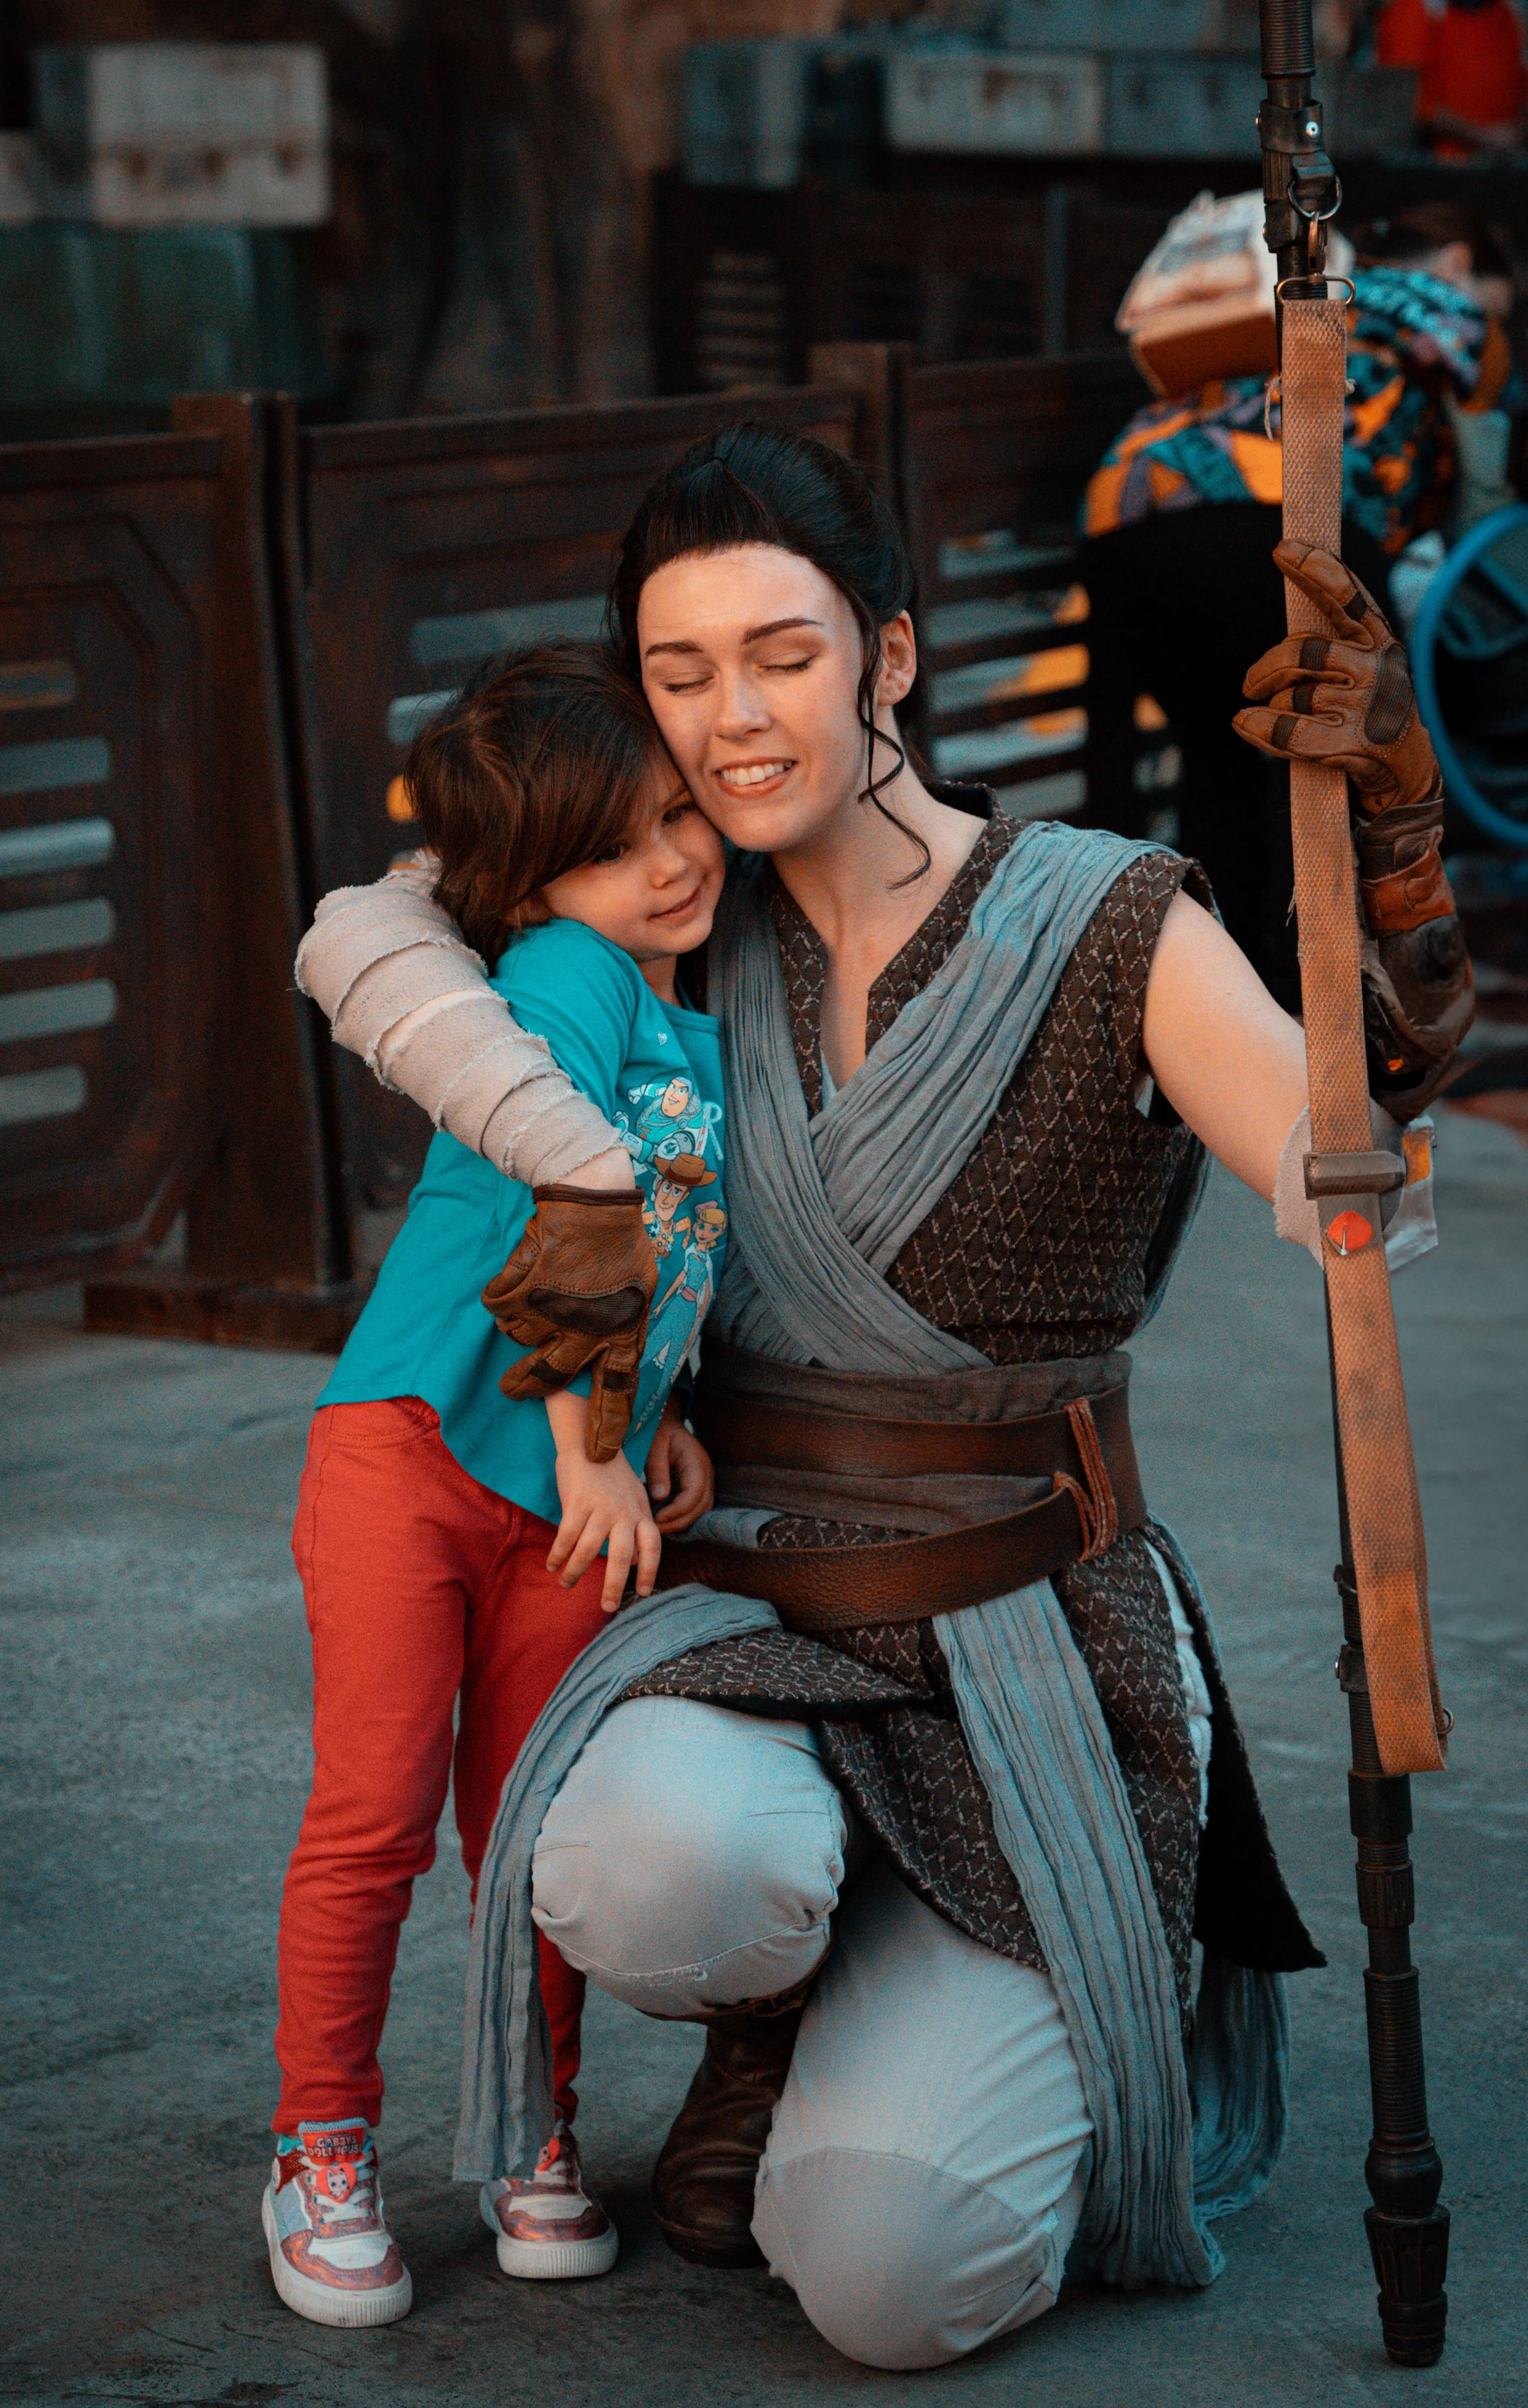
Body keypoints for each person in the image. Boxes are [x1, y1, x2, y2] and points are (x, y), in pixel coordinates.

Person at [295, 424, 1472, 2370]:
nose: (734, 718)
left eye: (783, 654)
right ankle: (775, 2006)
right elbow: (368, 922)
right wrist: (561, 1151)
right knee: (639, 1863)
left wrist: (1395, 851)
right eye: (680, 673)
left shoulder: (1102, 916)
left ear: (889, 658)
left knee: (889, 2274)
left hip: (1024, 1634)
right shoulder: (667, 918)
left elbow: (1349, 1180)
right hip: (748, 1620)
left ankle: (1000, 1992)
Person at [265, 645, 727, 2326]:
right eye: (613, 846)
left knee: (530, 1836)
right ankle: (318, 2142)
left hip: (572, 1492)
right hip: (413, 1448)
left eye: (674, 816)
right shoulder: (564, 970)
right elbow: (570, 1196)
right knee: (377, 1816)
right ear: (532, 887)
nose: (667, 862)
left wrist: (663, 1410)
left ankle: (531, 2129)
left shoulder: (693, 1018)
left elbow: (676, 1251)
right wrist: (593, 1434)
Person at [1082, 200, 1513, 998]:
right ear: (1459, 265)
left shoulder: (1288, 298)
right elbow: (1482, 464)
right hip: (1279, 515)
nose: (1499, 325)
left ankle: (1230, 1003)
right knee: (1335, 768)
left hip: (1123, 516)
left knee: (1220, 760)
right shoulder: (1433, 307)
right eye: (1502, 303)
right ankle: (1310, 1012)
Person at [1376, 0, 1527, 158]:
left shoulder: (1507, 12)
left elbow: (1521, 83)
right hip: (1433, 160)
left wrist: (1516, 133)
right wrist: (1483, 135)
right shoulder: (1415, 9)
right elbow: (1406, 99)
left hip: (1504, 159)